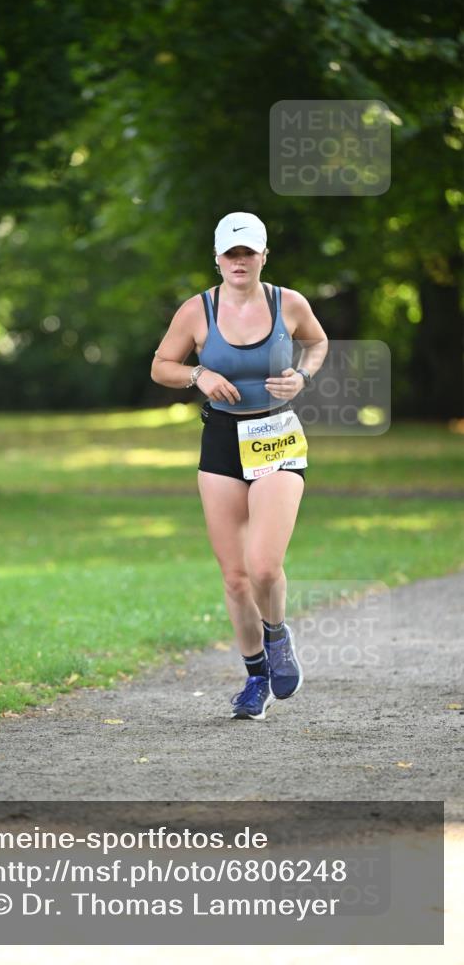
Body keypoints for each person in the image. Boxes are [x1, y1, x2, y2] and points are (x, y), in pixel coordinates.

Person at [150, 212, 328, 720]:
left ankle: (277, 636)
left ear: (263, 256)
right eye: (231, 254)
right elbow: (162, 365)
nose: (239, 261)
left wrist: (302, 375)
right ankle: (256, 680)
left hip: (275, 434)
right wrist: (199, 374)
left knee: (264, 566)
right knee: (234, 577)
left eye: (248, 252)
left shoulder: (287, 303)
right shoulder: (197, 310)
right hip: (222, 441)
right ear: (217, 259)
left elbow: (316, 343)